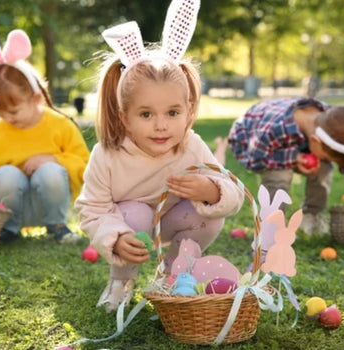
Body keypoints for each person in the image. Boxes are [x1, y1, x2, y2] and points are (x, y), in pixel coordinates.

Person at [75, 0, 244, 313]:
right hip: (131, 225)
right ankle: (121, 280)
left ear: (188, 111)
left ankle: (173, 273)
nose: (161, 125)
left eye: (173, 112)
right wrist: (113, 238)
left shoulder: (191, 146)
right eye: (146, 114)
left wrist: (212, 191)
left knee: (210, 214)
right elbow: (92, 208)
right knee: (135, 214)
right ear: (124, 118)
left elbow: (234, 192)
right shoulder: (107, 154)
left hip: (173, 220)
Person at [0, 24, 90, 244]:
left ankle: (57, 225)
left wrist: (53, 159)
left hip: (48, 202)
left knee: (50, 171)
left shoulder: (59, 124)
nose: (7, 118)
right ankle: (8, 229)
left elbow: (84, 163)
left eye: (13, 110)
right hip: (10, 206)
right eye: (0, 112)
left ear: (35, 99)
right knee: (5, 174)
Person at [227, 97, 344, 235]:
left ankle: (312, 216)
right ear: (315, 141)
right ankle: (271, 225)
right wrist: (293, 158)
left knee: (323, 168)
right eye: (326, 156)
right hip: (252, 142)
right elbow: (255, 159)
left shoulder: (334, 121)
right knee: (280, 175)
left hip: (292, 140)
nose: (325, 158)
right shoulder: (277, 129)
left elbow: (341, 149)